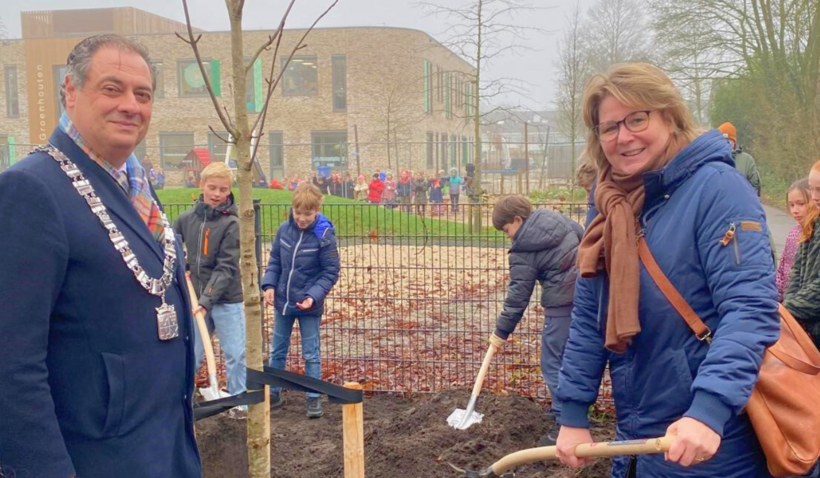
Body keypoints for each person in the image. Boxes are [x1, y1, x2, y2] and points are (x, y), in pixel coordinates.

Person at [554, 63, 779, 477]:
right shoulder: (609, 205)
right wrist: (573, 413)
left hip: (710, 445)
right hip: (637, 441)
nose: (624, 136)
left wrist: (708, 410)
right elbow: (589, 318)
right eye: (609, 127)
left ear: (670, 115)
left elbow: (749, 311)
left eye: (637, 118)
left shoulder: (718, 189)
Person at [0, 34, 200, 478]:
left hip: (167, 453)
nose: (131, 105)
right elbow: (11, 365)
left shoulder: (137, 188)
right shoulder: (31, 190)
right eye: (112, 89)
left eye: (143, 94)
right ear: (70, 92)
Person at [489, 195, 583, 446]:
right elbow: (583, 237)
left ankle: (565, 424)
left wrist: (501, 331)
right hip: (587, 300)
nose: (508, 236)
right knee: (576, 360)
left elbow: (518, 296)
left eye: (507, 229)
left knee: (553, 363)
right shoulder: (559, 220)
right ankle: (569, 415)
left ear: (518, 220)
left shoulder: (523, 249)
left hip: (561, 307)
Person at [261, 183, 341, 418]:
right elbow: (275, 259)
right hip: (283, 303)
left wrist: (312, 297)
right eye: (298, 213)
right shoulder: (284, 230)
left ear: (317, 210)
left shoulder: (324, 236)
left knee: (310, 353)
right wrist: (269, 285)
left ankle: (313, 397)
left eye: (308, 214)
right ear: (292, 209)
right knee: (277, 350)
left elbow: (330, 272)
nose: (302, 218)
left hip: (308, 306)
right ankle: (274, 393)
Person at [173, 162, 246, 396]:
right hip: (195, 301)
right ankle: (185, 401)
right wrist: (181, 265)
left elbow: (226, 266)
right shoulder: (185, 220)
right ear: (201, 185)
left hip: (226, 300)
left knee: (235, 354)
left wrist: (207, 300)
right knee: (191, 356)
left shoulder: (231, 224)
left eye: (223, 189)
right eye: (212, 187)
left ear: (229, 191)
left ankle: (239, 404)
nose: (217, 194)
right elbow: (172, 249)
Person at [784, 161, 820, 350]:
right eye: (812, 190)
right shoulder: (813, 224)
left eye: (819, 190)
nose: (814, 197)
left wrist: (788, 310)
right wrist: (787, 307)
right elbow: (796, 270)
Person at [776, 179, 813, 302]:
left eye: (801, 204)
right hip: (787, 302)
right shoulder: (793, 234)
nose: (795, 210)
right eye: (791, 205)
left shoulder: (815, 236)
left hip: (806, 304)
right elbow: (782, 270)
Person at [717, 122, 762, 196]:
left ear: (734, 142)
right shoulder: (712, 159)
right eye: (722, 141)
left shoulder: (747, 160)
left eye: (729, 141)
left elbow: (755, 185)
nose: (726, 144)